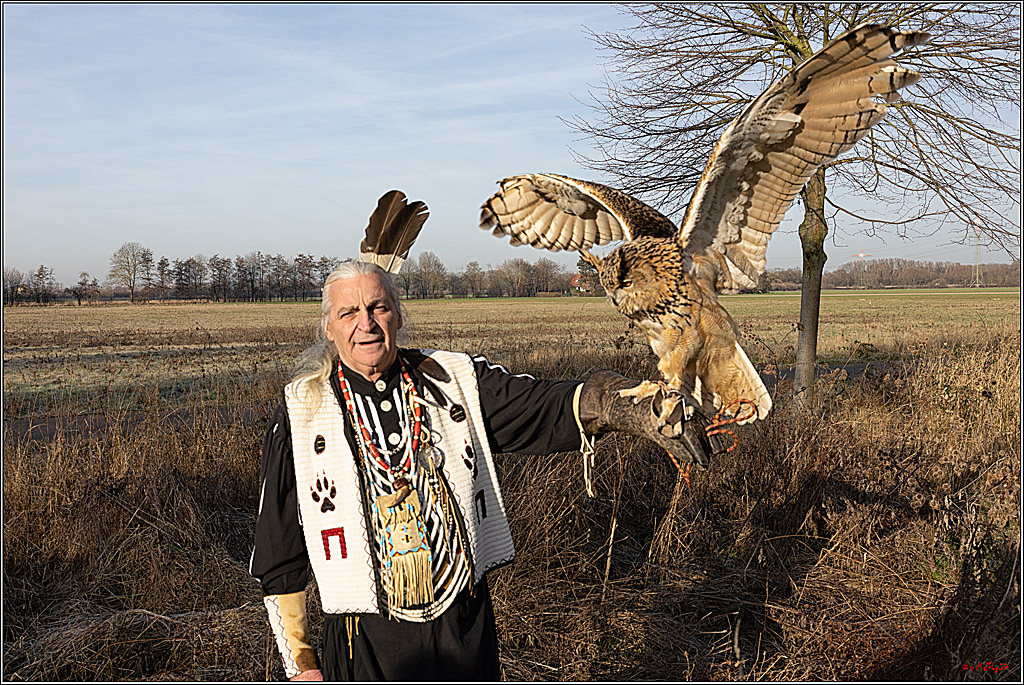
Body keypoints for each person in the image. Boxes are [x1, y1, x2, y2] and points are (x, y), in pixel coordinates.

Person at [250, 260, 712, 681]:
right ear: (328, 328)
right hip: (364, 640)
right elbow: (280, 550)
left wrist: (616, 403)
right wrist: (302, 662)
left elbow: (537, 404)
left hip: (462, 623)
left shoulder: (452, 380)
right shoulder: (303, 412)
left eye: (378, 307)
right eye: (349, 313)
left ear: (399, 316)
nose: (366, 324)